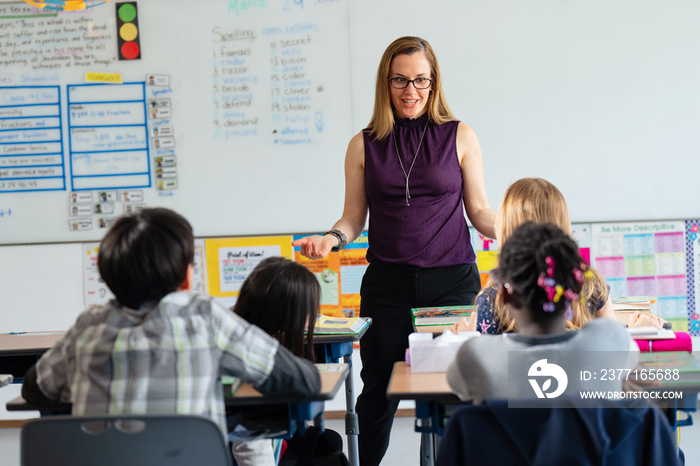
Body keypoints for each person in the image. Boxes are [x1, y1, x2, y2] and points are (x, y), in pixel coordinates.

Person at [292, 36, 496, 466]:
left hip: (452, 283)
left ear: (434, 82)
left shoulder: (460, 135)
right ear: (386, 83)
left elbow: (478, 211)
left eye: (421, 80)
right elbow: (352, 218)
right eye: (400, 80)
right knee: (380, 393)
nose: (411, 91)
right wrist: (332, 239)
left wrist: (519, 230)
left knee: (460, 391)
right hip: (388, 288)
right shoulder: (362, 145)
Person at [21, 208, 321, 440]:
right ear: (187, 277)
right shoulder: (203, 318)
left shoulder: (88, 326)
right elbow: (302, 380)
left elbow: (35, 388)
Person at [447, 221, 639, 403]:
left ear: (505, 293)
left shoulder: (476, 356)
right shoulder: (610, 341)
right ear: (574, 290)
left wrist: (459, 341)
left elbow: (455, 384)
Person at [460, 177, 664, 335]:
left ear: (505, 228)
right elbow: (611, 350)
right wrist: (637, 334)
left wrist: (463, 343)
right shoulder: (589, 283)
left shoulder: (494, 297)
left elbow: (487, 368)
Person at [229, 256, 321, 466]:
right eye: (309, 308)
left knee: (322, 440)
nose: (313, 314)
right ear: (285, 313)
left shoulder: (241, 326)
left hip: (254, 438)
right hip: (246, 445)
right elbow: (250, 445)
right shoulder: (250, 353)